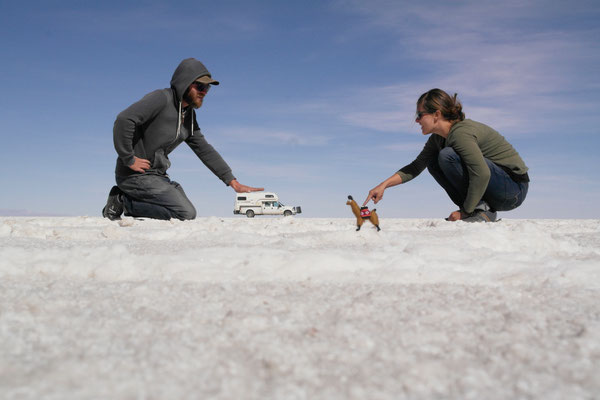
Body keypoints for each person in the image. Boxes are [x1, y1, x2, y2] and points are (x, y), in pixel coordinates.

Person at [102, 58, 263, 220]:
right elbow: (125, 120)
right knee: (185, 213)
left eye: (207, 87)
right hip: (134, 175)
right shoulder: (161, 98)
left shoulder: (189, 116)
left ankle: (133, 198)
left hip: (157, 175)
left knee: (183, 210)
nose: (204, 91)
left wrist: (232, 182)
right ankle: (122, 201)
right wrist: (128, 158)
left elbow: (204, 149)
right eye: (200, 86)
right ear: (184, 83)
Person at [364, 88, 529, 222]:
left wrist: (465, 211)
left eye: (420, 115)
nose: (416, 120)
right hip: (497, 188)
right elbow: (415, 167)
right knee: (433, 161)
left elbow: (482, 173)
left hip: (513, 189)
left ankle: (476, 209)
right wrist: (383, 185)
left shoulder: (460, 133)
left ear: (436, 114)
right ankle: (480, 210)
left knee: (447, 155)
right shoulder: (437, 139)